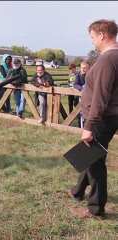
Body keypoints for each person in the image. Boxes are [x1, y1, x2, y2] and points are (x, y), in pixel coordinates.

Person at [69, 19, 118, 219]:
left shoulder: (108, 59)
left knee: (95, 161)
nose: (92, 41)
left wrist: (89, 125)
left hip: (101, 118)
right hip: (108, 116)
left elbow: (101, 96)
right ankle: (78, 191)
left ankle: (96, 207)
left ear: (102, 35)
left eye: (92, 37)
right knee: (85, 155)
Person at [73, 61, 91, 128]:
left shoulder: (91, 75)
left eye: (84, 68)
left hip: (89, 98)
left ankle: (88, 127)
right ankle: (80, 126)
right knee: (79, 111)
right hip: (80, 97)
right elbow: (75, 84)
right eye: (81, 68)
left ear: (88, 68)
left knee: (88, 112)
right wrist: (81, 89)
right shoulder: (78, 75)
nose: (82, 69)